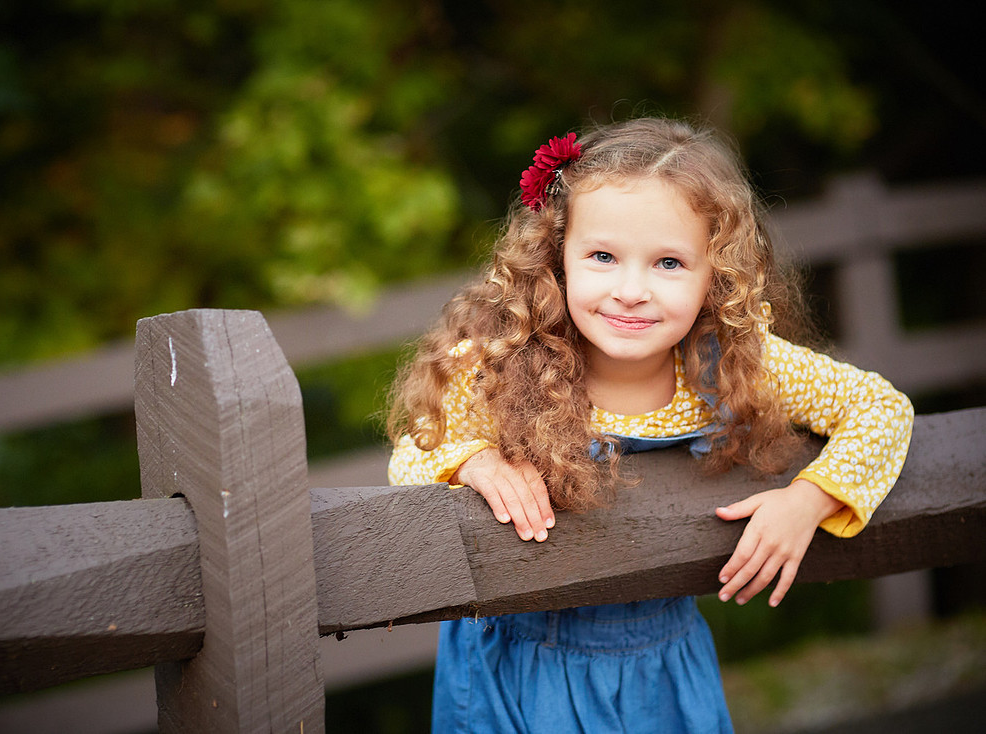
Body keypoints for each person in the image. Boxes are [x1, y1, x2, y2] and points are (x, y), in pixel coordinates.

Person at [386, 117, 914, 733]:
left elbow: (881, 407)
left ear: (713, 274)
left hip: (659, 671)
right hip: (513, 670)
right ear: (558, 259)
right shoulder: (501, 362)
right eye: (603, 257)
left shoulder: (732, 364)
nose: (631, 291)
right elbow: (411, 458)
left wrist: (809, 499)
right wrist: (475, 459)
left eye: (668, 262)